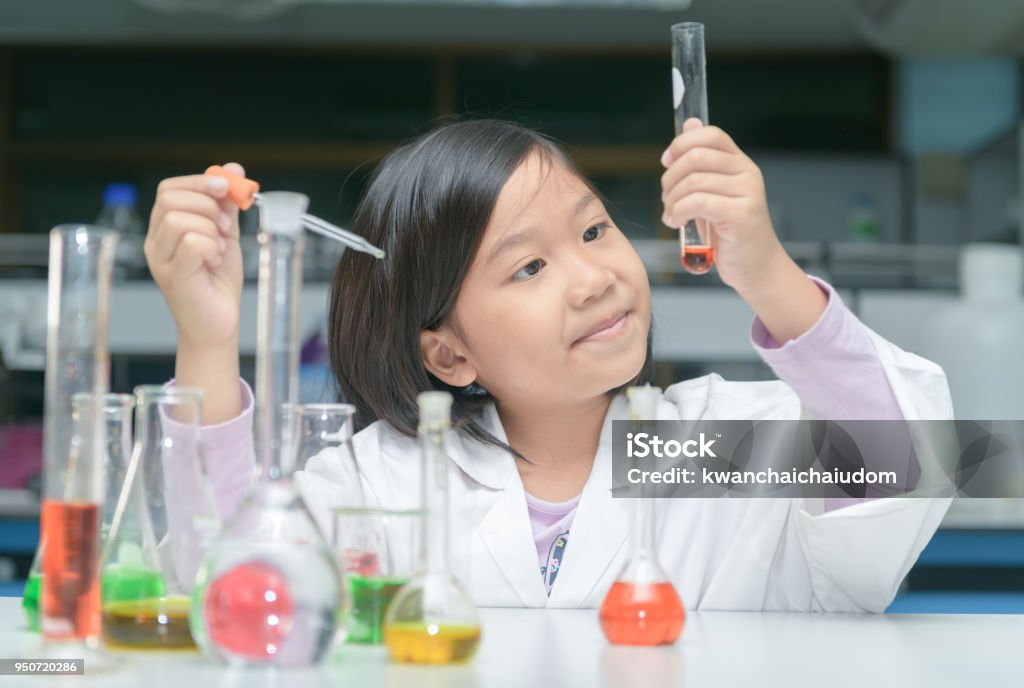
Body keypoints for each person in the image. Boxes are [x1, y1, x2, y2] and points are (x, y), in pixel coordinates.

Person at [145, 118, 952, 611]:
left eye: (595, 230)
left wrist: (768, 272)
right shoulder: (383, 484)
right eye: (528, 267)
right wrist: (207, 341)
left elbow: (909, 461)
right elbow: (236, 595)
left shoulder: (709, 444)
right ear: (449, 353)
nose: (596, 277)